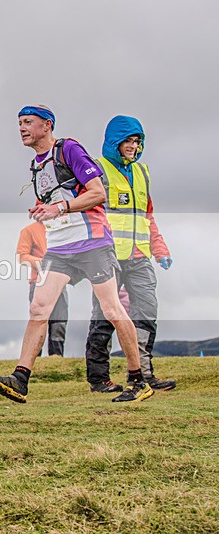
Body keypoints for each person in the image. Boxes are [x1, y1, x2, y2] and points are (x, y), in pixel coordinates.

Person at [0, 105, 153, 403]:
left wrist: (59, 208)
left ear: (47, 125)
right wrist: (43, 211)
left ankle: (138, 380)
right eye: (19, 123)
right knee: (39, 308)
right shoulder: (37, 163)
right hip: (59, 247)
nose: (21, 128)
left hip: (92, 243)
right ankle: (20, 379)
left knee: (112, 310)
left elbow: (98, 193)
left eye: (28, 122)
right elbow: (55, 199)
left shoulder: (69, 149)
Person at [85, 116, 176, 393]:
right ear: (115, 142)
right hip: (107, 256)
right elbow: (88, 212)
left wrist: (159, 249)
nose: (133, 147)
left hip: (140, 257)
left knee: (147, 313)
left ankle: (144, 374)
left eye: (137, 142)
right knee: (104, 317)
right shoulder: (98, 171)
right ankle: (99, 379)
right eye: (128, 141)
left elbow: (147, 216)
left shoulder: (142, 173)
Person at [16, 221, 68, 357]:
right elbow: (22, 257)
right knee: (39, 319)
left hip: (60, 282)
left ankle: (56, 357)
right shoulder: (29, 230)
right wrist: (47, 264)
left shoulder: (63, 228)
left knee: (60, 320)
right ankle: (34, 359)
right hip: (38, 281)